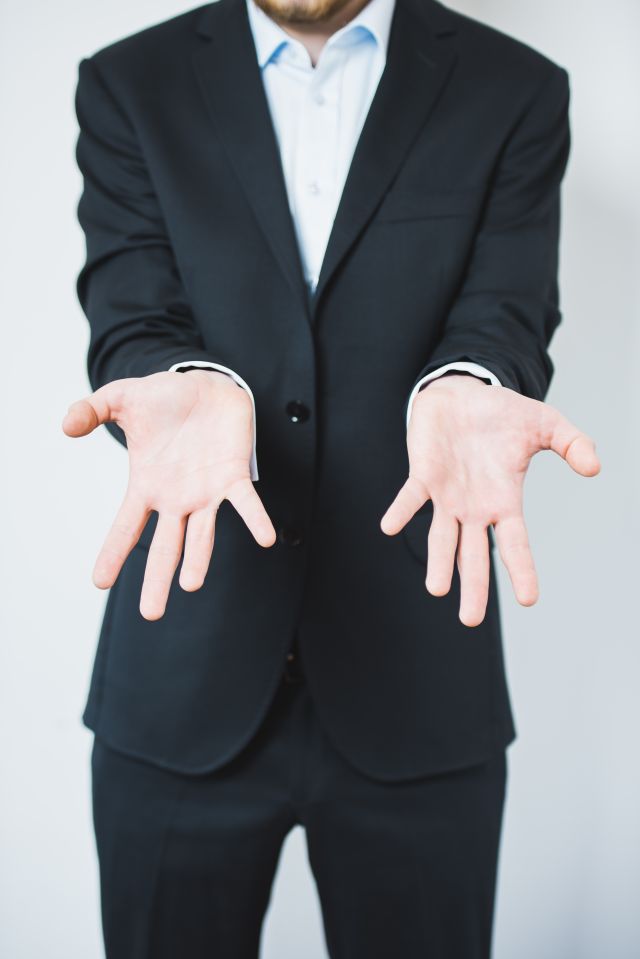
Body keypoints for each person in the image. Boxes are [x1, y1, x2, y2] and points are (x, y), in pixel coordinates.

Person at [62, 0, 600, 955]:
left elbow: (506, 316)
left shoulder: (516, 90)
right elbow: (133, 314)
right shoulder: (129, 82)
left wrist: (470, 380)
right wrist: (186, 379)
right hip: (184, 682)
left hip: (420, 685)